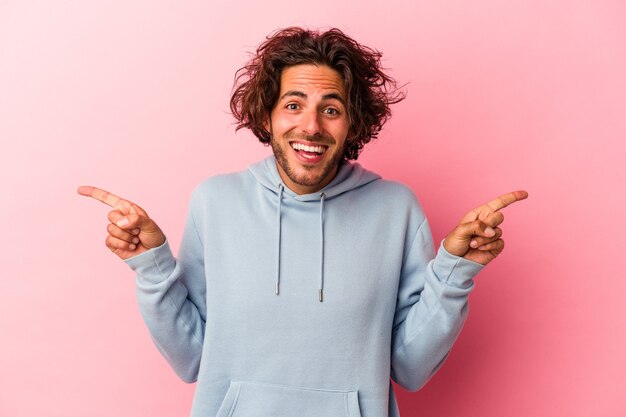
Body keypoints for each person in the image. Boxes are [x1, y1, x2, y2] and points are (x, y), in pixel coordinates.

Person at [78, 27, 527, 417]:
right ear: (267, 116)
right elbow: (192, 358)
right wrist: (151, 267)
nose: (310, 127)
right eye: (293, 105)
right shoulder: (216, 201)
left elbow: (410, 369)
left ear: (353, 124)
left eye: (330, 109)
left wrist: (454, 271)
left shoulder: (396, 209)